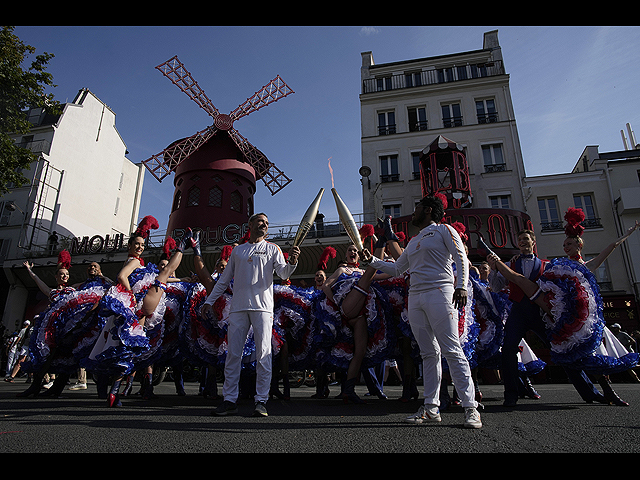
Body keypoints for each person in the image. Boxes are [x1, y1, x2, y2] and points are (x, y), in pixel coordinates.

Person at [487, 210, 639, 406]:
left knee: (563, 350)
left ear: (533, 242)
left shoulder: (547, 265)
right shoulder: (510, 263)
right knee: (508, 349)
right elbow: (498, 286)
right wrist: (493, 269)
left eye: (526, 239)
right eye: (520, 240)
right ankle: (511, 395)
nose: (523, 242)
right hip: (518, 311)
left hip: (541, 313)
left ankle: (589, 392)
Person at [362, 194, 482, 428]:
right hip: (415, 297)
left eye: (416, 208)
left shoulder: (444, 230)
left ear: (427, 210)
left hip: (441, 292)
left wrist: (461, 287)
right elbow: (397, 268)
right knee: (428, 353)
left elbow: (460, 257)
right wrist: (372, 261)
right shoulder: (415, 240)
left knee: (451, 349)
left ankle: (470, 408)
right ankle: (431, 408)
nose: (413, 212)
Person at [202, 213, 300, 417]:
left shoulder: (273, 249)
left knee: (264, 354)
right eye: (260, 221)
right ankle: (229, 400)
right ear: (250, 225)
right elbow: (224, 280)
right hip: (238, 308)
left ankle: (261, 401)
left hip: (263, 309)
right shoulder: (238, 251)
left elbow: (283, 273)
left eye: (266, 222)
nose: (264, 224)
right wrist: (209, 301)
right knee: (233, 355)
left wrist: (292, 262)